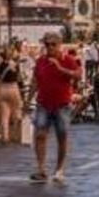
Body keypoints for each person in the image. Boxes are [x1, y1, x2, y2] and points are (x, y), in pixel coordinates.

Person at [28, 33, 81, 184]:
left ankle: (59, 169)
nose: (50, 47)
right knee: (40, 135)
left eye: (53, 44)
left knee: (61, 136)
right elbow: (35, 81)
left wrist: (60, 68)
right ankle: (40, 169)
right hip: (43, 103)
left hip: (62, 104)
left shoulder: (68, 60)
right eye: (47, 44)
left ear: (59, 45)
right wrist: (27, 99)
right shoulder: (41, 61)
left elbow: (78, 75)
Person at [0, 45, 24, 144]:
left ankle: (5, 136)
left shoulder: (0, 65)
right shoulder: (15, 64)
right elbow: (19, 78)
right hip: (13, 88)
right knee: (17, 111)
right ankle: (17, 134)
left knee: (4, 114)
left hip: (3, 89)